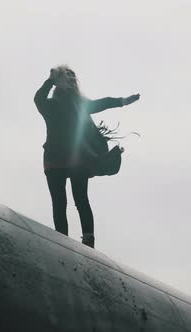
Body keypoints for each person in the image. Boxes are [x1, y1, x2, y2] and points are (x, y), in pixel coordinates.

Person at [34, 65, 140, 248]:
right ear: (58, 82)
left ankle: (88, 241)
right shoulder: (50, 105)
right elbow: (38, 99)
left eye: (71, 77)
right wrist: (50, 81)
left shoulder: (80, 105)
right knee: (59, 202)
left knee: (81, 199)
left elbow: (104, 102)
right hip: (54, 159)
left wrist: (123, 101)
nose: (70, 80)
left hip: (77, 159)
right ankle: (61, 241)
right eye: (65, 77)